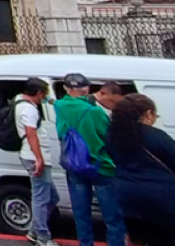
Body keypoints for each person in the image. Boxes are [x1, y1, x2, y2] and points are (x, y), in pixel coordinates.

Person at [107, 94, 175, 245]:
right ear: (147, 114)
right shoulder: (156, 136)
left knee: (142, 239)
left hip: (128, 199)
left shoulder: (111, 135)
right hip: (165, 202)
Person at [54, 73, 127, 246]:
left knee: (81, 214)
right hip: (100, 167)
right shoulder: (94, 112)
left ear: (66, 88)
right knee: (112, 217)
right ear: (87, 88)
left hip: (75, 165)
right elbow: (110, 137)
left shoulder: (59, 105)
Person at [15, 78, 60, 246]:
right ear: (38, 93)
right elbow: (31, 134)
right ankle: (42, 236)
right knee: (41, 198)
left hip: (33, 155)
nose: (45, 98)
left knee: (51, 197)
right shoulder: (28, 110)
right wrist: (39, 159)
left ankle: (35, 229)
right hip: (34, 157)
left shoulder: (23, 102)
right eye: (44, 95)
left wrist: (53, 101)